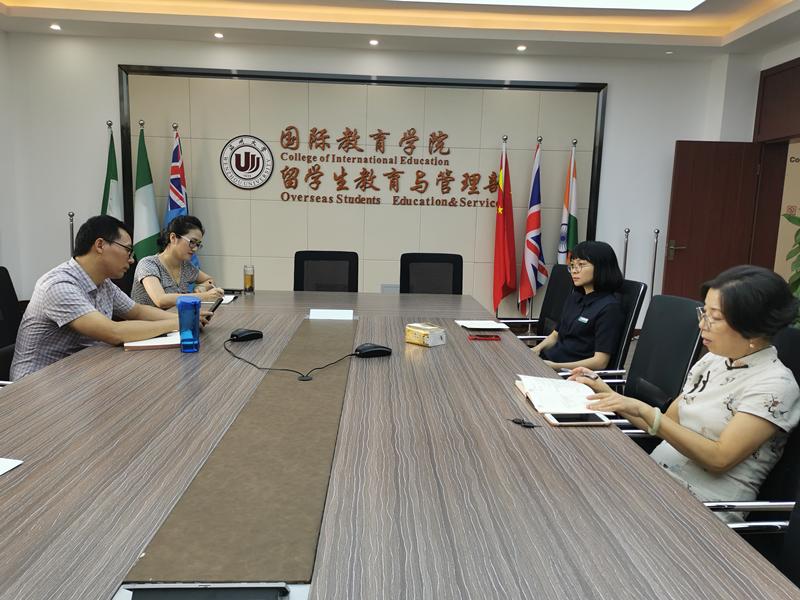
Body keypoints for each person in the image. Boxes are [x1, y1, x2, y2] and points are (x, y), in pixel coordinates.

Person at [570, 265, 800, 522]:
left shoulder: (775, 385)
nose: (702, 324)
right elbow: (665, 424)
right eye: (704, 312)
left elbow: (719, 458)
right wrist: (611, 395)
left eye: (715, 317)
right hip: (657, 481)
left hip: (702, 510)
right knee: (575, 481)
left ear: (753, 328)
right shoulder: (714, 360)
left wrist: (642, 409)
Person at [10, 215, 209, 380]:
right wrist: (181, 322)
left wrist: (188, 317)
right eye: (128, 250)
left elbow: (138, 311)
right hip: (36, 386)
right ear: (100, 245)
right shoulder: (59, 285)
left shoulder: (104, 283)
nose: (131, 259)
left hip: (78, 372)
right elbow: (113, 332)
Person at [532, 240, 624, 370]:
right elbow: (555, 335)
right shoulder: (575, 297)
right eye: (572, 265)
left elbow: (600, 362)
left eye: (581, 265)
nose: (574, 271)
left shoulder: (609, 308)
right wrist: (535, 350)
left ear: (601, 267)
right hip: (549, 362)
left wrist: (556, 367)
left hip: (569, 374)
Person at [131, 215, 224, 309]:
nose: (195, 249)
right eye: (192, 242)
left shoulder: (185, 266)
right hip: (148, 318)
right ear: (173, 238)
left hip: (174, 317)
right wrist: (205, 296)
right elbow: (160, 300)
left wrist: (202, 288)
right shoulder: (148, 264)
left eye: (198, 244)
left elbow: (209, 280)